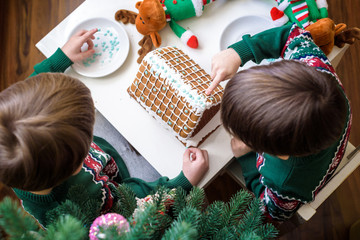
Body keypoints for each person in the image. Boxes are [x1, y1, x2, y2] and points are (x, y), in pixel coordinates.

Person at [0, 29, 209, 228]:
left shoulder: (8, 132)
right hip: (120, 190)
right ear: (76, 165)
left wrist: (60, 59)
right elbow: (134, 212)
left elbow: (29, 95)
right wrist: (182, 183)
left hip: (98, 161)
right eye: (87, 130)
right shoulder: (80, 210)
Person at [206, 24, 352, 221]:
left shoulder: (284, 181)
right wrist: (238, 53)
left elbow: (272, 211)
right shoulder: (317, 71)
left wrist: (247, 159)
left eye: (244, 135)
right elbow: (292, 35)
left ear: (273, 153)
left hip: (314, 172)